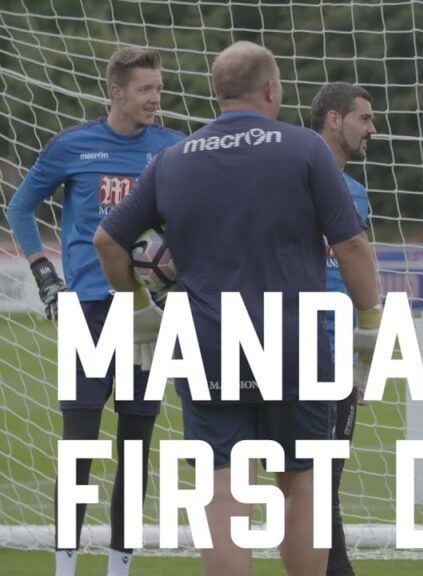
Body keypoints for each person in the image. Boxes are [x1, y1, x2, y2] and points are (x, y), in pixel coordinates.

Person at [93, 41, 381, 576]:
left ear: (217, 93)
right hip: (292, 343)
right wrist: (369, 327)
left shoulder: (171, 159)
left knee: (224, 491)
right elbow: (352, 248)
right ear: (271, 90)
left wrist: (140, 310)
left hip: (208, 344)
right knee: (301, 485)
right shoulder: (305, 150)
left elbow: (108, 242)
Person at [5, 46, 183, 576]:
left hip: (148, 317)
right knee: (78, 446)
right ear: (117, 91)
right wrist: (44, 274)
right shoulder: (73, 146)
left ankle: (118, 568)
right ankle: (64, 566)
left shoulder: (174, 150)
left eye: (159, 87)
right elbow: (19, 207)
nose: (156, 98)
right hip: (87, 313)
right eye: (146, 89)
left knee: (136, 446)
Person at [309, 81, 377, 576]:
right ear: (335, 119)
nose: (371, 129)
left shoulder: (357, 193)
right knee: (310, 480)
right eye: (364, 119)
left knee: (326, 478)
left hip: (340, 357)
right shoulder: (289, 177)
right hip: (296, 349)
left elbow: (356, 276)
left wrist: (363, 357)